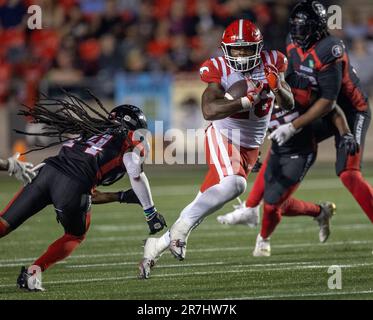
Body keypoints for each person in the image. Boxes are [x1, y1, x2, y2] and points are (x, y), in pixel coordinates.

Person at [138, 19, 294, 279]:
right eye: (236, 49)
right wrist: (244, 101)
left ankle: (157, 245)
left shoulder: (274, 61)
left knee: (206, 201)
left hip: (251, 145)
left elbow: (287, 103)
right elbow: (209, 110)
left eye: (246, 49)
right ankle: (181, 231)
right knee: (235, 186)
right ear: (226, 49)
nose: (241, 55)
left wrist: (277, 86)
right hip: (224, 134)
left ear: (258, 47)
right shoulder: (218, 68)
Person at [218, 0, 372, 252]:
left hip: (351, 110)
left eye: (305, 27)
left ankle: (254, 208)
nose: (299, 33)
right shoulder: (292, 41)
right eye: (296, 27)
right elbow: (299, 82)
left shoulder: (329, 49)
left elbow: (329, 101)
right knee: (282, 144)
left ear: (319, 27)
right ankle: (251, 207)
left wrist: (295, 125)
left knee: (348, 173)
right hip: (319, 104)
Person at [0, 92, 166, 291]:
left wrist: (120, 196)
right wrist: (150, 212)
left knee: (4, 224)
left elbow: (87, 192)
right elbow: (135, 173)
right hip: (73, 185)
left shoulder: (89, 131)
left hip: (46, 172)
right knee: (74, 235)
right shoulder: (131, 141)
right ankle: (32, 273)